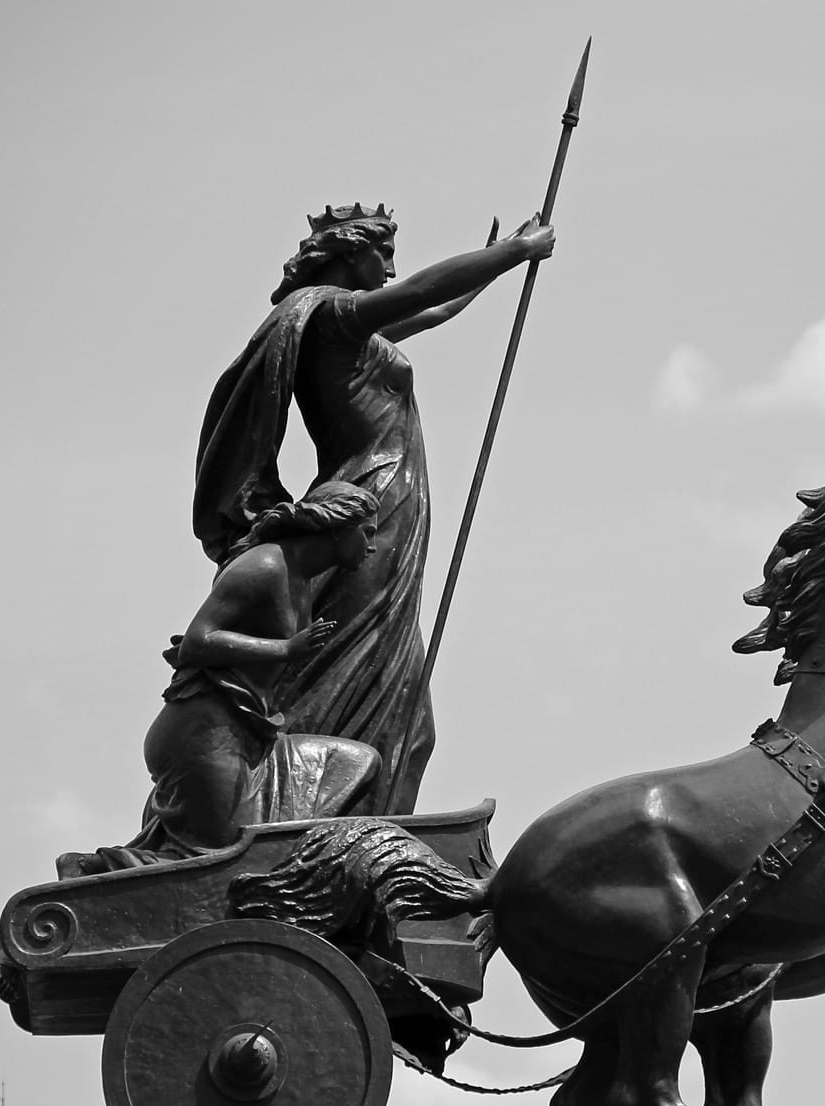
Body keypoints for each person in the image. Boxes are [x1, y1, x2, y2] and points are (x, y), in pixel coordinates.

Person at [193, 202, 556, 815]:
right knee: (350, 661)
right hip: (369, 504)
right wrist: (511, 255)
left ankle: (371, 818)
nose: (390, 265)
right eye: (380, 252)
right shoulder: (333, 315)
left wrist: (496, 265)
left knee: (405, 704)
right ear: (347, 252)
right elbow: (420, 288)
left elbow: (432, 306)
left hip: (393, 502)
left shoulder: (352, 328)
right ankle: (296, 810)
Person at [57, 482, 384, 878]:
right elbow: (198, 640)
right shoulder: (264, 566)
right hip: (204, 732)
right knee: (220, 862)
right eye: (367, 531)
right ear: (337, 526)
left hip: (251, 736)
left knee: (356, 762)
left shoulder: (303, 580)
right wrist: (285, 650)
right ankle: (92, 871)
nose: (373, 545)